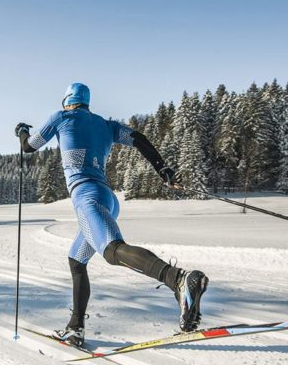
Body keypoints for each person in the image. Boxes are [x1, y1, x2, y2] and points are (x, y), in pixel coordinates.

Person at [15, 83, 208, 346]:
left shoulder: (61, 118)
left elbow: (29, 147)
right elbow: (139, 139)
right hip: (108, 197)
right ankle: (76, 328)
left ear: (67, 101)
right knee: (76, 260)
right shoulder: (107, 126)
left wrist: (22, 132)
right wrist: (164, 170)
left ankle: (178, 279)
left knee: (112, 250)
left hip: (87, 197)